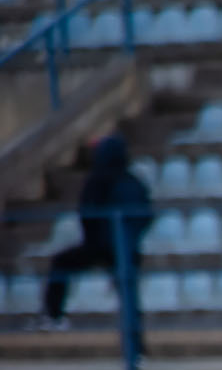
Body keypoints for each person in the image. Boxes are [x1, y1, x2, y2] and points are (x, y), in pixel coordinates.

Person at [37, 133, 152, 333]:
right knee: (128, 293)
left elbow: (87, 213)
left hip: (101, 246)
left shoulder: (98, 180)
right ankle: (136, 343)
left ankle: (53, 317)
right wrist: (130, 238)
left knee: (61, 263)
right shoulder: (134, 182)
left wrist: (97, 239)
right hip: (126, 248)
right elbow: (146, 215)